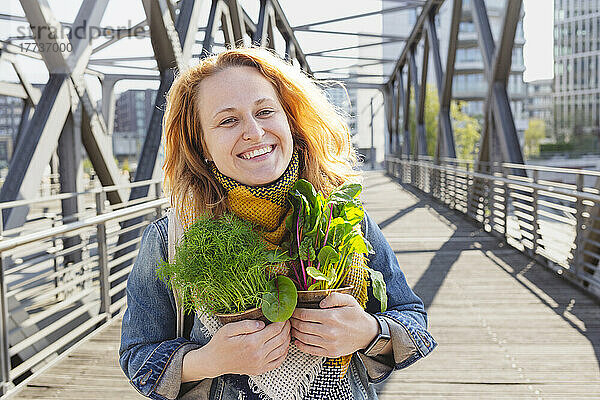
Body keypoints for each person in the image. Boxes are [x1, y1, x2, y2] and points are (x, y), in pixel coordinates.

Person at [119, 47, 436, 400]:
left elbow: (414, 322)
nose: (254, 132)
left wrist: (368, 332)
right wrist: (210, 360)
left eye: (265, 111)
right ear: (203, 146)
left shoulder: (342, 219)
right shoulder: (171, 239)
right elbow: (138, 357)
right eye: (228, 120)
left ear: (290, 120)